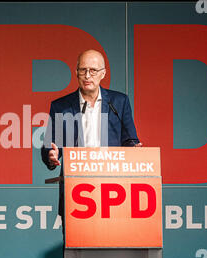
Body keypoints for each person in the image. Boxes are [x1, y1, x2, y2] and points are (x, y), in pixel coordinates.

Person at [41, 49, 142, 219]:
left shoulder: (119, 102)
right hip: (76, 189)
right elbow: (50, 146)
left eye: (93, 70)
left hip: (113, 188)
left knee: (112, 242)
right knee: (77, 245)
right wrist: (51, 155)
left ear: (103, 74)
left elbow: (130, 140)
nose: (88, 75)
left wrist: (135, 149)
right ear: (76, 72)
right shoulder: (61, 106)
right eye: (83, 70)